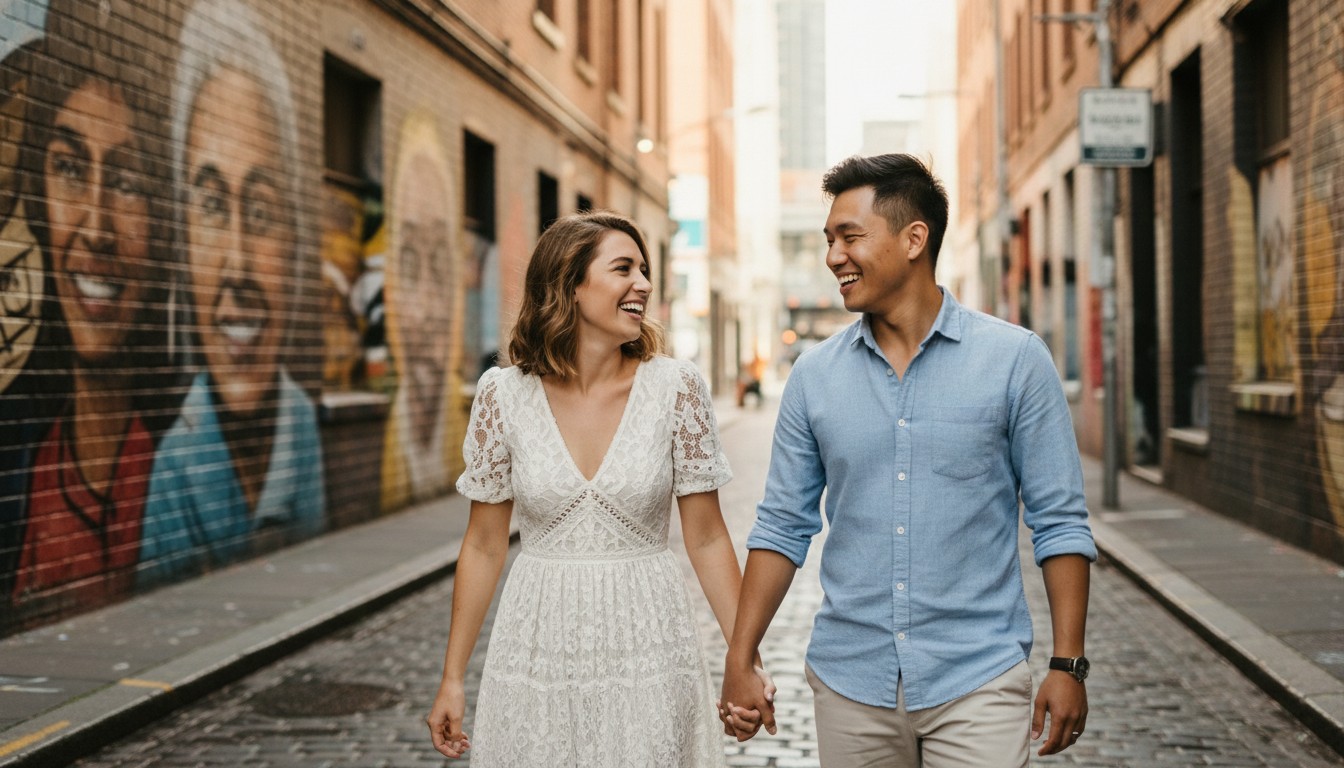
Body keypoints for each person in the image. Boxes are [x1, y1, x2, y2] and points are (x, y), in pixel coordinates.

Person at [718, 154, 1096, 766]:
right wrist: (741, 658)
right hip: (851, 684)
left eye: (850, 236)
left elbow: (1060, 522)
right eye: (828, 240)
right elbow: (782, 526)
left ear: (913, 238)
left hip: (978, 678)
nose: (833, 256)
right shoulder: (813, 377)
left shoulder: (1015, 361)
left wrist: (1068, 664)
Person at [425, 210, 772, 766]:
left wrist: (745, 660)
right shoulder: (502, 395)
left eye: (644, 269)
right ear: (570, 284)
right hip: (537, 646)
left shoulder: (674, 388)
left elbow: (707, 539)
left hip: (648, 644)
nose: (644, 284)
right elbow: (484, 545)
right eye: (623, 269)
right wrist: (452, 679)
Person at [138, 0, 324, 585]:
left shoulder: (302, 424)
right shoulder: (168, 466)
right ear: (181, 239)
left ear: (296, 244)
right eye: (212, 206)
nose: (238, 264)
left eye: (263, 211)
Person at [6, 6, 174, 611]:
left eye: (126, 181)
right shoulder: (22, 473)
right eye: (70, 169)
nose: (97, 228)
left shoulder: (177, 464)